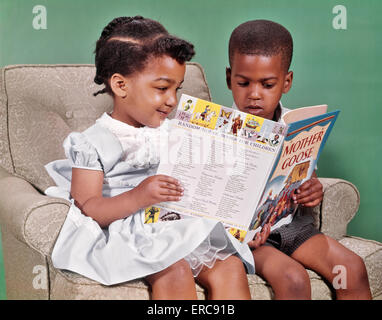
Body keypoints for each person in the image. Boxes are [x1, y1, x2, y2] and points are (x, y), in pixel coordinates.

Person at [44, 16, 255, 300]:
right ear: (121, 86)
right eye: (161, 88)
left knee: (229, 266)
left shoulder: (176, 130)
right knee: (174, 269)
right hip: (130, 229)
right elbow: (89, 209)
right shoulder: (92, 142)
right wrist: (139, 196)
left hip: (176, 220)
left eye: (177, 89)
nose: (172, 100)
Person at [226, 19, 372, 299]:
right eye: (243, 83)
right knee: (293, 278)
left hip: (291, 226)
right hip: (247, 239)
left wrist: (312, 190)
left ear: (287, 82)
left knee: (351, 268)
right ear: (229, 77)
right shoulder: (215, 130)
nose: (254, 94)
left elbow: (306, 175)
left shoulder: (299, 124)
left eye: (268, 84)